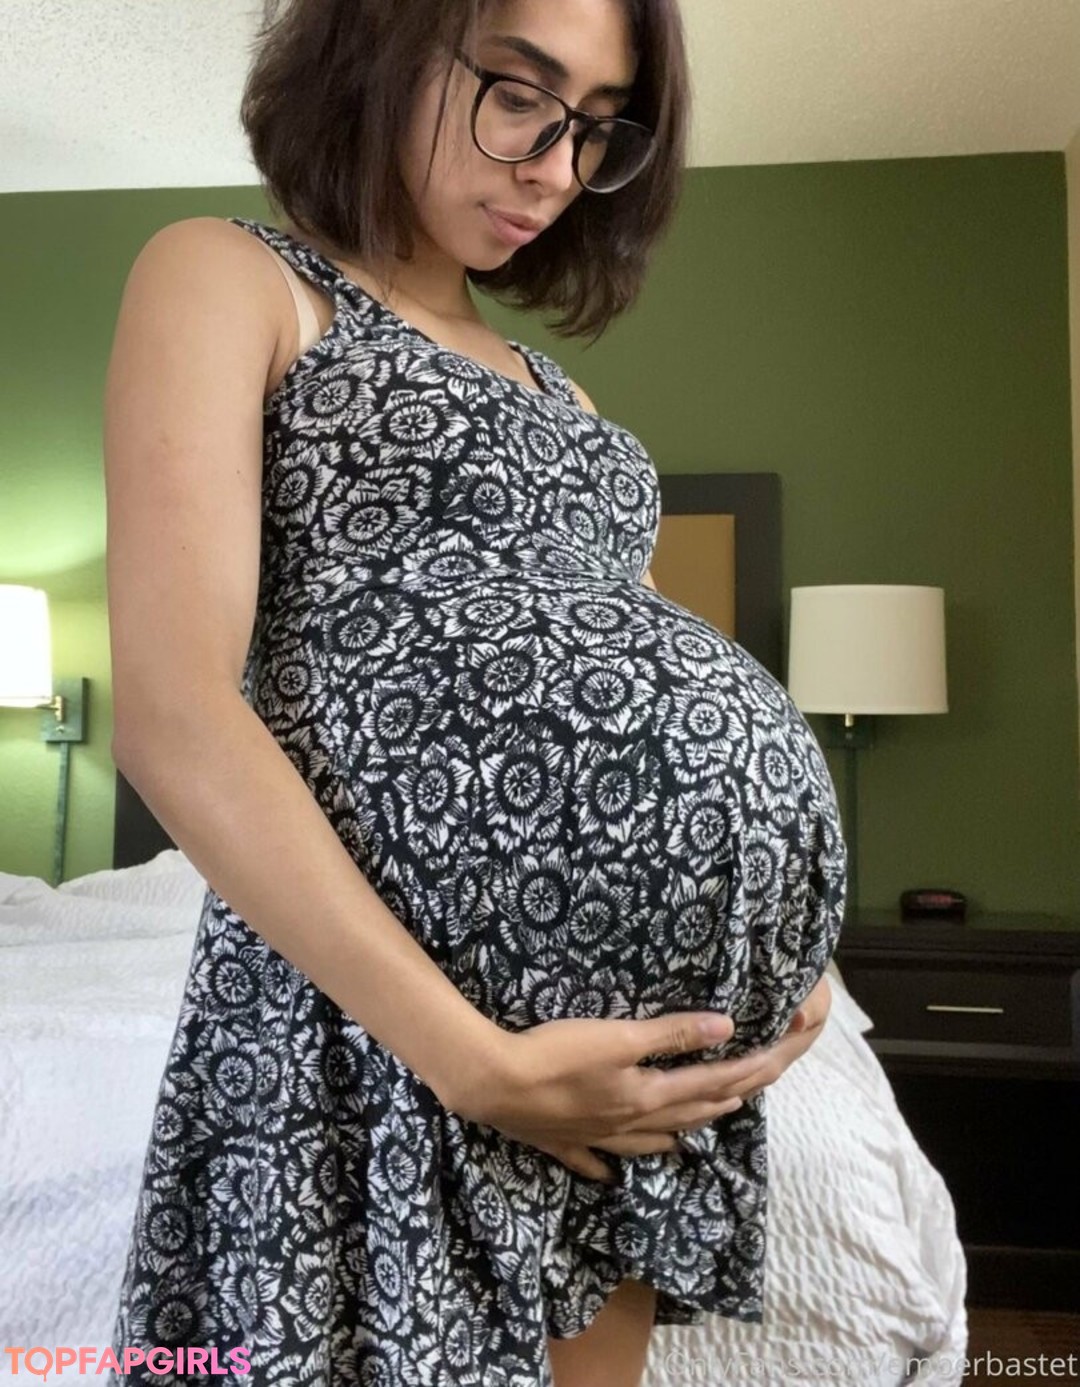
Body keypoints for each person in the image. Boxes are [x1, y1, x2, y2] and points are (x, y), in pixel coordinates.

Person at [102, 0, 846, 1384]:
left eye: (599, 130)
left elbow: (634, 667)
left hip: (618, 1058)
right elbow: (173, 709)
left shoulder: (564, 399)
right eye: (520, 95)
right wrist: (471, 1062)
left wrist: (790, 946)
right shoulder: (236, 277)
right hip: (391, 1018)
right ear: (376, 46)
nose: (557, 169)